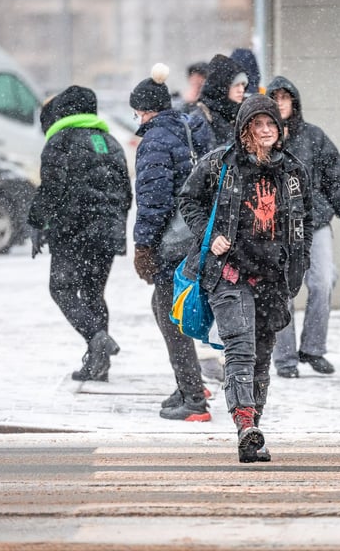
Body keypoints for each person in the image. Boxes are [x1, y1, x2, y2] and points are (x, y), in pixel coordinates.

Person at [178, 94, 313, 463]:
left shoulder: (294, 170)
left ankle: (253, 427)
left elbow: (306, 222)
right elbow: (188, 200)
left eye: (271, 123)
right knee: (240, 348)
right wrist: (210, 235)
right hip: (229, 274)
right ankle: (244, 425)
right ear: (244, 130)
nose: (266, 130)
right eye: (258, 124)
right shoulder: (220, 163)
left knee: (262, 357)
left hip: (273, 278)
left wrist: (298, 265)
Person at [28, 85, 132, 382]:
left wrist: (37, 222)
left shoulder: (60, 140)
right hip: (107, 234)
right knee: (93, 293)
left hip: (72, 232)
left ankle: (97, 339)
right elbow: (126, 193)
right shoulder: (110, 141)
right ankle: (99, 364)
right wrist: (114, 226)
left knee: (61, 289)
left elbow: (50, 189)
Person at [129, 63, 214, 422]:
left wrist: (143, 246)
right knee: (169, 309)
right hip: (197, 236)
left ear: (145, 111)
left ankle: (194, 399)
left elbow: (153, 200)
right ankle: (188, 384)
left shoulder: (155, 142)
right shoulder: (189, 129)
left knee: (171, 315)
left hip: (172, 244)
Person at [265, 76, 340, 379]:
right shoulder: (261, 138)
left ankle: (313, 348)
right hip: (276, 227)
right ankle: (285, 359)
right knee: (281, 290)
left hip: (314, 222)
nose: (281, 102)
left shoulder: (313, 137)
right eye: (275, 97)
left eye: (285, 97)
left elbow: (337, 181)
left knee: (321, 283)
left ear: (294, 102)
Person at [190, 53, 248, 149]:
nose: (241, 90)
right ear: (222, 87)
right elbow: (206, 158)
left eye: (243, 85)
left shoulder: (239, 115)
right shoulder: (201, 119)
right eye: (236, 85)